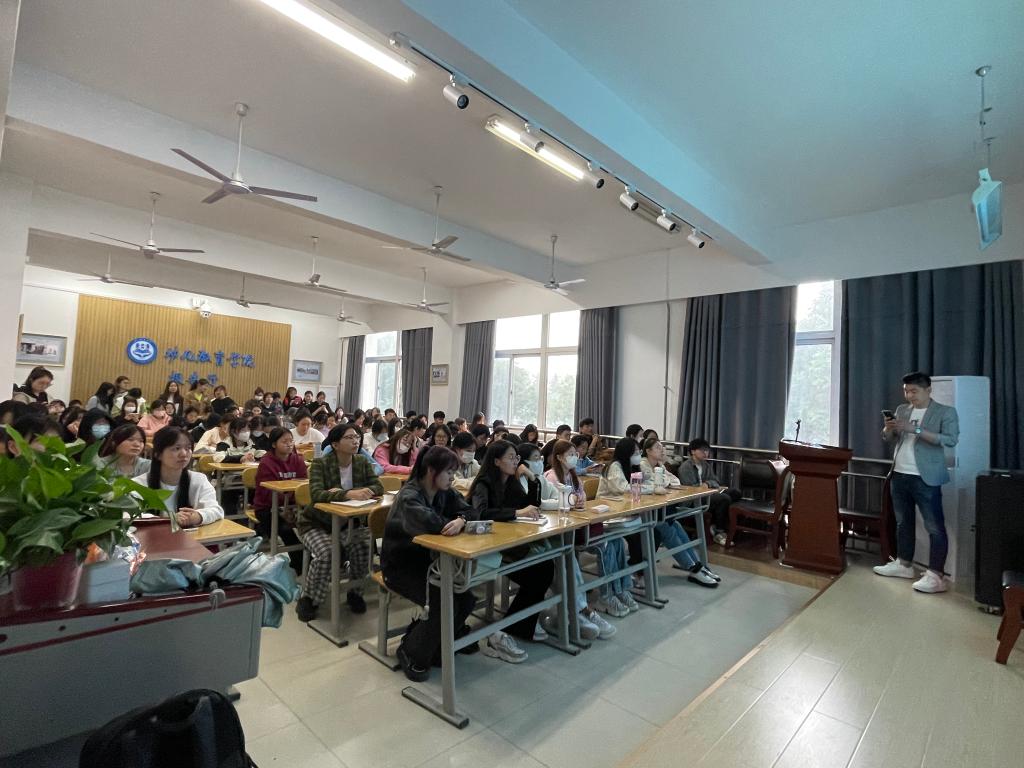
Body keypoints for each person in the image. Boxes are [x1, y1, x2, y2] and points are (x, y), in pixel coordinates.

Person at [382, 446, 479, 681]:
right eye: (449, 472)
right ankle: (410, 651)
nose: (452, 478)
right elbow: (435, 525)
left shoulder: (445, 492)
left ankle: (435, 643)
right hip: (401, 568)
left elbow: (472, 511)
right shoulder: (409, 496)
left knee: (466, 599)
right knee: (443, 603)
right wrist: (456, 522)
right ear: (430, 470)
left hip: (431, 564)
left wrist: (461, 520)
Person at [875, 371, 960, 594]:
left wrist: (916, 429)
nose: (909, 395)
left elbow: (950, 440)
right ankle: (904, 564)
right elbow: (889, 438)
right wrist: (888, 428)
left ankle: (936, 575)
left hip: (926, 477)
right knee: (903, 522)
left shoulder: (945, 412)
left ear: (928, 390)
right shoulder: (902, 410)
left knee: (934, 526)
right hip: (899, 473)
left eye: (914, 391)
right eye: (906, 391)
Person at [469, 440, 555, 660]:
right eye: (511, 457)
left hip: (506, 544)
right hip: (484, 549)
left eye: (517, 458)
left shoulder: (510, 482)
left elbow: (529, 505)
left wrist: (533, 479)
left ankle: (517, 624)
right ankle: (511, 627)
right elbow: (481, 513)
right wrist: (517, 513)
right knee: (540, 572)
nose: (516, 461)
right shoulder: (484, 483)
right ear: (496, 461)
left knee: (545, 567)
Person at [296, 423, 384, 621]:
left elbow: (378, 487)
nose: (355, 441)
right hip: (316, 524)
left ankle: (355, 593)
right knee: (327, 552)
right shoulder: (320, 464)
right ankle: (309, 599)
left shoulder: (361, 461)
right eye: (349, 437)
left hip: (347, 524)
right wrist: (348, 494)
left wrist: (343, 492)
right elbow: (317, 494)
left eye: (357, 437)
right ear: (335, 444)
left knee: (364, 548)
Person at [545, 438, 616, 639]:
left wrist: (576, 501)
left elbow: (581, 497)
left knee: (613, 541)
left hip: (576, 527)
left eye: (575, 454)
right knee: (569, 562)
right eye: (570, 454)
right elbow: (555, 504)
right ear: (559, 457)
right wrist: (573, 501)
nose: (575, 458)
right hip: (558, 532)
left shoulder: (573, 476)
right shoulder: (551, 477)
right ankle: (583, 611)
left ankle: (609, 595)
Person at [640, 438, 720, 587]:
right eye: (658, 447)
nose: (662, 450)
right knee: (667, 529)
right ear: (648, 451)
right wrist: (663, 482)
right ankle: (692, 567)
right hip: (645, 512)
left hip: (659, 508)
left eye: (662, 447)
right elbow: (656, 484)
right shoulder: (642, 465)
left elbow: (674, 481)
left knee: (675, 525)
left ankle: (697, 564)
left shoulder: (659, 465)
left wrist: (663, 481)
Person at [135, 426, 223, 527]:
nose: (184, 454)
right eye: (176, 448)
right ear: (158, 454)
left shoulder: (198, 480)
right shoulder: (138, 484)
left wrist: (198, 516)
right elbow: (128, 515)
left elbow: (216, 510)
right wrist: (170, 519)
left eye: (188, 448)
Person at [253, 427, 308, 573]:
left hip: (294, 505)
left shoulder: (298, 460)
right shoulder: (266, 462)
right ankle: (300, 565)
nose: (289, 444)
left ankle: (314, 560)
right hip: (267, 507)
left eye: (291, 441)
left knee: (313, 523)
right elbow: (267, 493)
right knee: (285, 529)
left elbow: (304, 485)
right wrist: (287, 504)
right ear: (274, 444)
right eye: (284, 441)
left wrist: (291, 504)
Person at [677, 438, 742, 546]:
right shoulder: (685, 467)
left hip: (707, 493)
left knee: (735, 492)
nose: (706, 453)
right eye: (702, 450)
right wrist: (706, 487)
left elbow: (716, 481)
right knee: (723, 499)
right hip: (693, 500)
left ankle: (718, 525)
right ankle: (719, 532)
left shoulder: (706, 465)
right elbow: (691, 489)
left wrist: (707, 484)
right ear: (693, 451)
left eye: (707, 450)